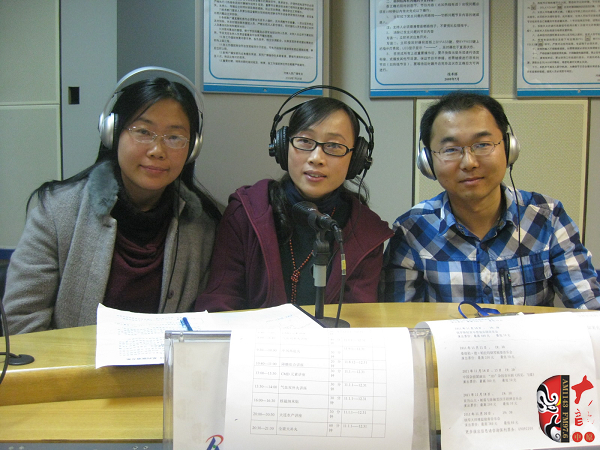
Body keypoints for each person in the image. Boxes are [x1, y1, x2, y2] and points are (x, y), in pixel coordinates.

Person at [3, 70, 221, 334]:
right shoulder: (57, 212)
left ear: (192, 148)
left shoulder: (203, 227)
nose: (157, 150)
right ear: (112, 133)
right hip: (72, 362)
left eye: (174, 137)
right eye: (143, 131)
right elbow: (22, 322)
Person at [382, 91, 600, 309]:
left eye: (482, 145)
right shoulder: (412, 230)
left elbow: (589, 307)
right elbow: (399, 319)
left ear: (508, 148)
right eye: (450, 149)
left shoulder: (547, 217)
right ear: (428, 161)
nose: (469, 163)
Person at [195, 93, 393, 311]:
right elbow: (220, 303)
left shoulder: (367, 232)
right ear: (283, 147)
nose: (317, 158)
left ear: (356, 159)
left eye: (334, 146)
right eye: (305, 141)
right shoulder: (246, 212)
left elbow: (358, 317)